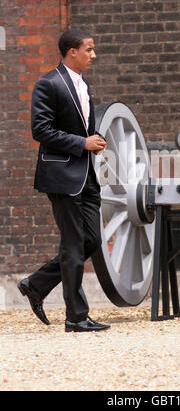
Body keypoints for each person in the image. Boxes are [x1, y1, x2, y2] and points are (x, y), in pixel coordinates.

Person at [18, 29, 110, 333]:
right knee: (73, 245)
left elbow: (82, 129)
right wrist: (82, 143)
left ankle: (36, 283)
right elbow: (41, 130)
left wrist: (93, 140)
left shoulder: (84, 86)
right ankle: (76, 317)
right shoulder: (48, 83)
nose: (93, 55)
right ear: (72, 51)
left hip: (87, 176)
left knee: (91, 241)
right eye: (89, 50)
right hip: (61, 176)